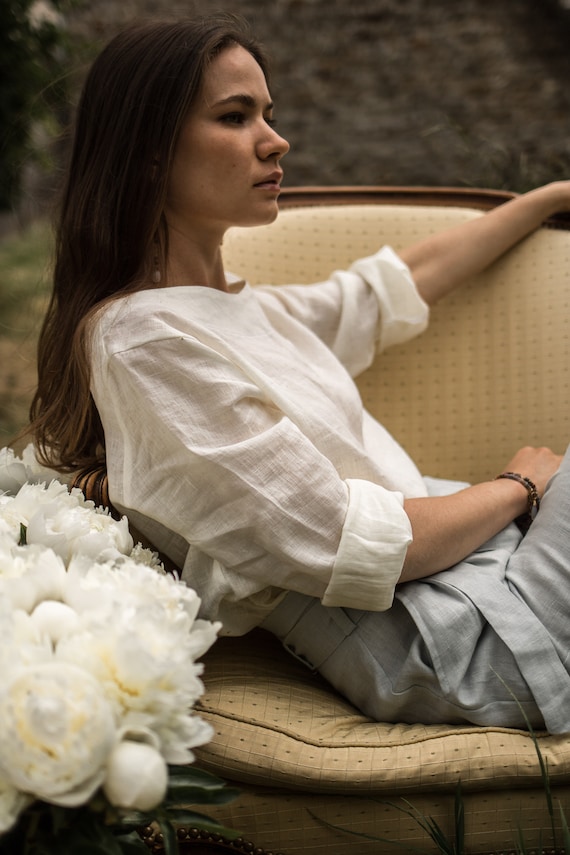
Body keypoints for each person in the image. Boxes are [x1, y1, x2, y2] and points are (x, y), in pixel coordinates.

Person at [28, 15, 570, 732]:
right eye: (235, 116)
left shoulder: (235, 311)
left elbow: (393, 286)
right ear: (149, 150)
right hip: (473, 639)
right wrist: (518, 484)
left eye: (269, 114)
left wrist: (551, 196)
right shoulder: (145, 342)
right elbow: (349, 539)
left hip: (490, 585)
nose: (275, 139)